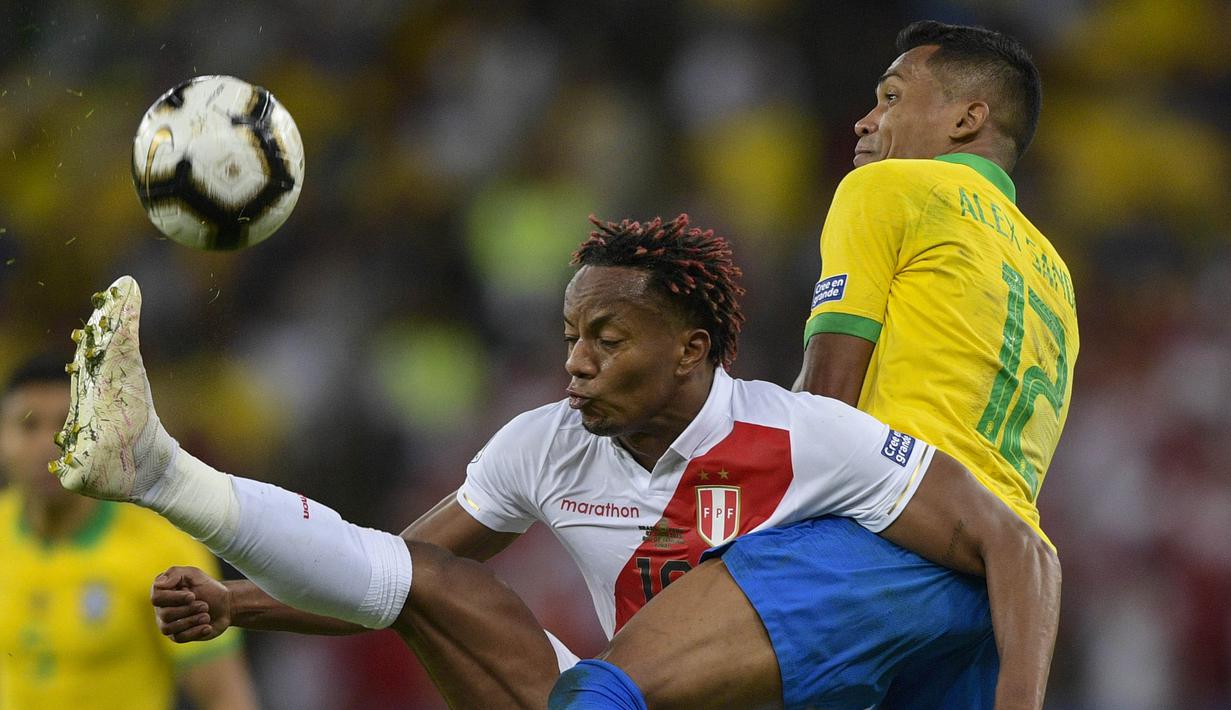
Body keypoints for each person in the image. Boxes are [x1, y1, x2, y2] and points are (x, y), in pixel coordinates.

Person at [52, 214, 1056, 710]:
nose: (575, 362)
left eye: (606, 339)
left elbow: (1009, 545)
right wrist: (238, 604)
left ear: (690, 350)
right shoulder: (545, 441)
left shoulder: (808, 435)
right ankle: (158, 469)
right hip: (608, 702)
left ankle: (160, 469)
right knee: (430, 581)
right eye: (570, 335)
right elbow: (380, 573)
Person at [794, 21, 1078, 552]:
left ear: (967, 119)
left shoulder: (887, 186)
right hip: (997, 559)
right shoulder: (1056, 272)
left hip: (882, 527)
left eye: (891, 98)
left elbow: (826, 401)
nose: (864, 121)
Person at [0, 354, 259, 710]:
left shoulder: (162, 550)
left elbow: (224, 697)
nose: (49, 444)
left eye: (67, 425)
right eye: (28, 426)